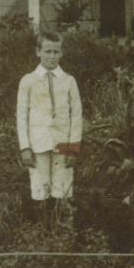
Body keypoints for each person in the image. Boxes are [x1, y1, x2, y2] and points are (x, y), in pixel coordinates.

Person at [16, 30, 83, 226]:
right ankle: (43, 229)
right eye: (47, 51)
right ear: (38, 52)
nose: (52, 56)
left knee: (62, 186)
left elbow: (76, 116)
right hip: (38, 142)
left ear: (62, 53)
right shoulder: (28, 80)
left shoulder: (69, 81)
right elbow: (21, 116)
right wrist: (25, 147)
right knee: (40, 186)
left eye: (56, 51)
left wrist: (73, 147)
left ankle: (62, 229)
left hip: (63, 142)